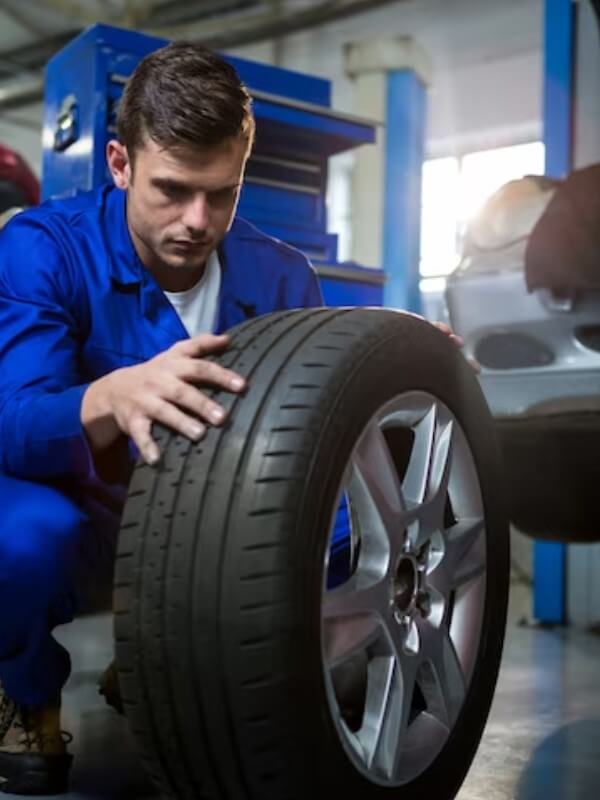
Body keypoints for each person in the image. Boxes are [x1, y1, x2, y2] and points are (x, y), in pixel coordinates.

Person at [0, 41, 322, 795]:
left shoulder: (282, 274)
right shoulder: (40, 249)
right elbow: (10, 424)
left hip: (211, 524)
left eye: (223, 193)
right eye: (172, 190)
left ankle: (158, 662)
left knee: (334, 534)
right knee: (19, 540)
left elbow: (321, 422)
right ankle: (26, 691)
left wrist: (407, 358)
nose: (197, 221)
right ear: (119, 163)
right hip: (80, 508)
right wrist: (106, 397)